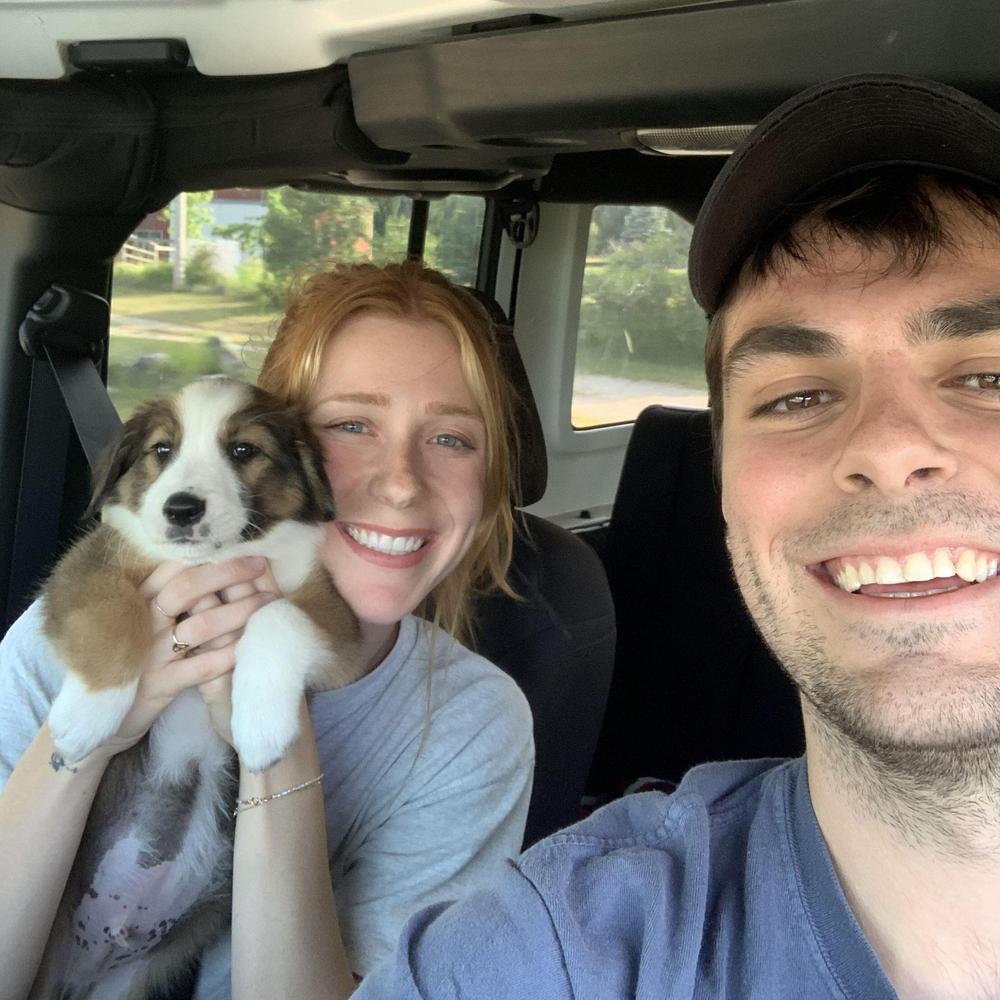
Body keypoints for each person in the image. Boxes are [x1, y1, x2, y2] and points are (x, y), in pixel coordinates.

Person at [349, 75, 1000, 1000]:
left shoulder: (475, 709)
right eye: (798, 397)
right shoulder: (561, 946)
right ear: (724, 484)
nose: (888, 449)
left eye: (987, 377)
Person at [0, 259, 535, 999]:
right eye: (353, 424)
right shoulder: (78, 625)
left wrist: (275, 748)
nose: (402, 481)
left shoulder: (472, 725)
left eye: (451, 438)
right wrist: (96, 729)